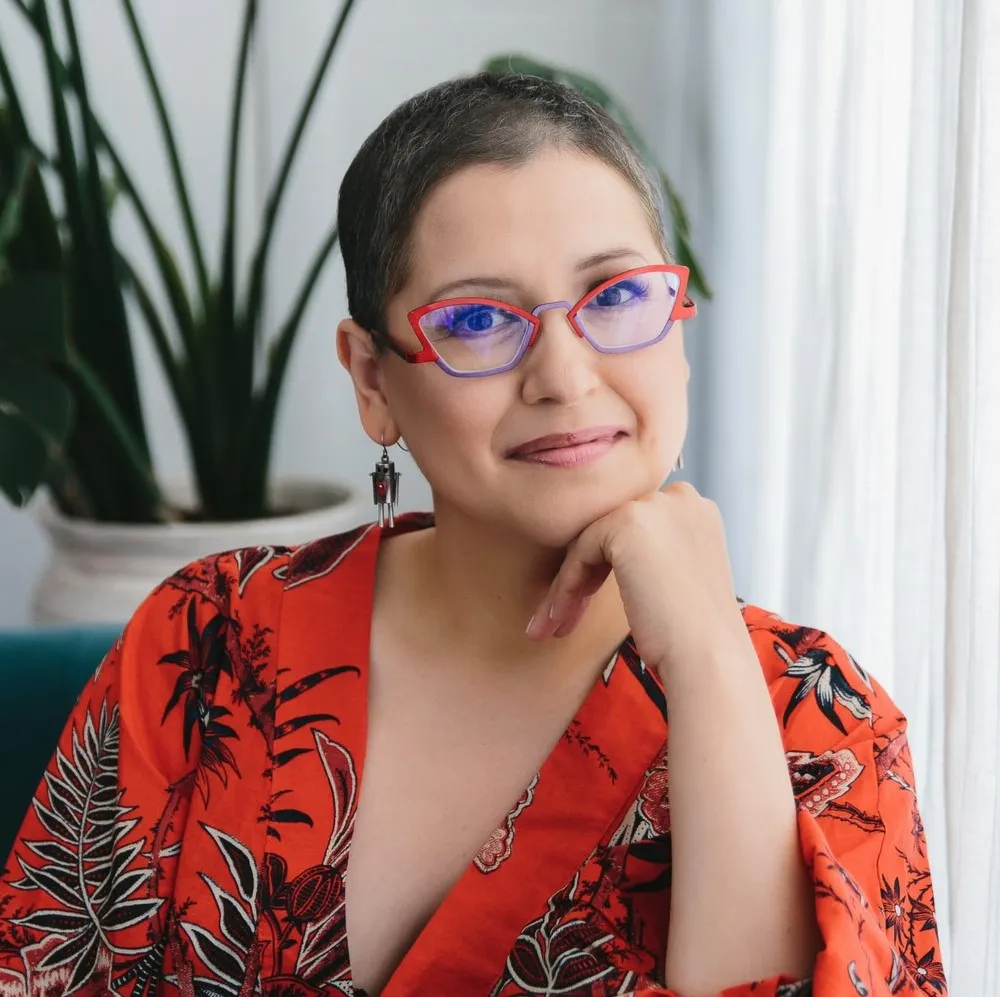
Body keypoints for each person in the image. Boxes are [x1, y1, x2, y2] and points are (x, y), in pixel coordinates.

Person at [0, 73, 945, 997]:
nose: (565, 377)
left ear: (678, 324)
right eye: (481, 320)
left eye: (616, 296)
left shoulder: (829, 725)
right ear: (373, 379)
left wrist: (707, 661)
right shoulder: (204, 641)